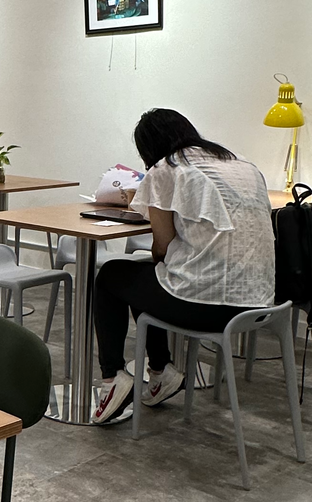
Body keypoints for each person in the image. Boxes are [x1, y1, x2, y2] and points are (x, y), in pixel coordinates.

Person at [91, 108, 276, 425]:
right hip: (260, 303)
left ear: (149, 149)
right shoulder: (242, 164)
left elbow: (162, 246)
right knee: (146, 278)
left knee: (111, 276)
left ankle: (113, 378)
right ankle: (160, 371)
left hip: (206, 306)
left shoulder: (167, 169)